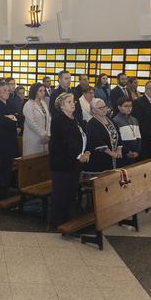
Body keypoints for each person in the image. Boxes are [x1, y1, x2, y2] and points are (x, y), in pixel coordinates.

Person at [49, 93, 89, 229]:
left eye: (73, 101)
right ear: (61, 106)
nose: (73, 104)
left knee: (70, 192)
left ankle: (66, 219)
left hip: (74, 162)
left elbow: (81, 136)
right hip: (62, 163)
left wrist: (86, 151)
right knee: (60, 193)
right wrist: (79, 155)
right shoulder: (57, 120)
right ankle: (56, 222)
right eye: (69, 102)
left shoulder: (74, 119)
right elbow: (66, 142)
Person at [84, 98, 122, 175]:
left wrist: (119, 149)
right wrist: (111, 153)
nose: (104, 109)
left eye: (104, 107)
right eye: (100, 108)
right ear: (93, 110)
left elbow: (118, 134)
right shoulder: (91, 124)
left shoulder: (110, 120)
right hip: (100, 159)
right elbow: (97, 142)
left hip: (114, 157)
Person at [23, 82, 51, 155]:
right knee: (32, 161)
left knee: (42, 162)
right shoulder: (28, 105)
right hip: (33, 138)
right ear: (34, 91)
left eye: (44, 91)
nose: (43, 93)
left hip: (45, 139)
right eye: (40, 91)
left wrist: (48, 134)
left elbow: (48, 120)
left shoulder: (43, 103)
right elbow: (31, 123)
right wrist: (43, 134)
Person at [112, 97, 142, 167]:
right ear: (119, 107)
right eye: (125, 106)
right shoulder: (115, 120)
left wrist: (137, 151)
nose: (129, 108)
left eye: (130, 106)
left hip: (134, 152)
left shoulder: (134, 120)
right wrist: (127, 152)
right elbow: (117, 140)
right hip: (123, 153)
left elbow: (139, 137)